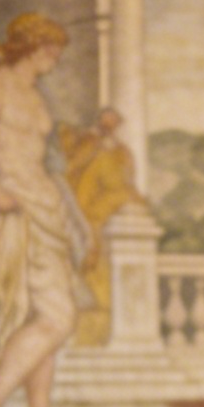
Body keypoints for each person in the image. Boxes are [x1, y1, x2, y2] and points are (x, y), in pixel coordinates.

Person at [0, 12, 91, 407]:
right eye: (50, 49)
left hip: (44, 212)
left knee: (44, 316)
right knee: (57, 318)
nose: (55, 58)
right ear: (33, 47)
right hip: (16, 210)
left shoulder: (34, 94)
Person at [58, 107, 142, 348]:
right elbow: (70, 169)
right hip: (78, 219)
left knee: (99, 290)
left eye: (114, 122)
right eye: (107, 120)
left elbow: (123, 184)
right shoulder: (85, 143)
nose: (110, 124)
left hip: (96, 223)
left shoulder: (119, 152)